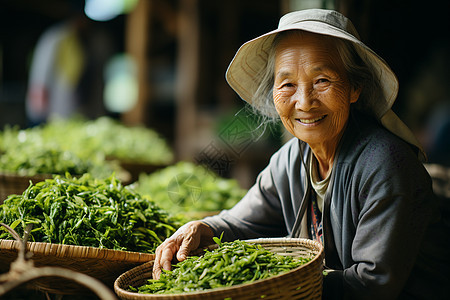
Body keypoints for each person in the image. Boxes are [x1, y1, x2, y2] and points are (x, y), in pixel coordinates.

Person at [153, 9, 449, 299]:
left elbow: (371, 285)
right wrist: (202, 228)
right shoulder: (289, 161)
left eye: (322, 81)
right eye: (288, 85)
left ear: (354, 88)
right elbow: (240, 223)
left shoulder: (385, 165)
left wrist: (272, 279)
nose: (304, 102)